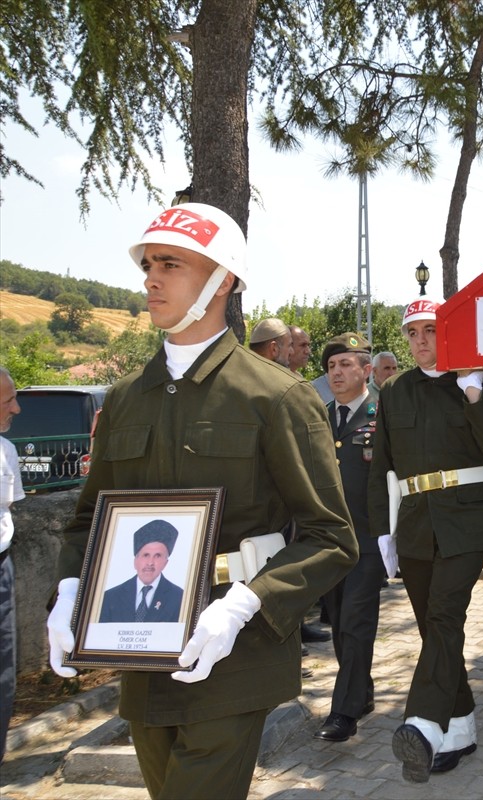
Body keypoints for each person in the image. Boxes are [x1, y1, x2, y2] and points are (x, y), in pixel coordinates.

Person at [46, 202, 357, 799]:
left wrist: (245, 605)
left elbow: (331, 538)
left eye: (171, 263)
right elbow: (89, 520)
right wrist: (69, 593)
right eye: (147, 266)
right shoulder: (127, 399)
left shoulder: (274, 397)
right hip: (139, 644)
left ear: (223, 280)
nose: (151, 280)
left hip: (232, 647)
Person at [370, 298, 483, 782]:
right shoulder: (394, 391)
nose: (420, 341)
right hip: (415, 523)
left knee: (444, 614)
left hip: (469, 520)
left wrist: (474, 392)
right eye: (412, 333)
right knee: (435, 631)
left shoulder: (474, 381)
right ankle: (460, 727)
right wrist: (382, 531)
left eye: (430, 330)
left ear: (448, 332)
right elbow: (384, 466)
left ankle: (424, 724)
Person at [313, 332, 386, 743]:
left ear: (366, 370)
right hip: (330, 542)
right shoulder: (319, 417)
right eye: (331, 367)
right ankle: (363, 694)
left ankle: (343, 713)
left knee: (357, 623)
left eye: (345, 364)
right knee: (341, 624)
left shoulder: (382, 417)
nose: (337, 373)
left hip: (370, 540)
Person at [0, 367, 23, 765]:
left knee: (3, 673)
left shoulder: (6, 451)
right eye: (8, 400)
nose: (16, 408)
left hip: (1, 568)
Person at [98, 520, 185, 624]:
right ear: (136, 561)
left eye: (157, 556)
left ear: (165, 563)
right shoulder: (110, 598)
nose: (150, 563)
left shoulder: (179, 598)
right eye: (146, 555)